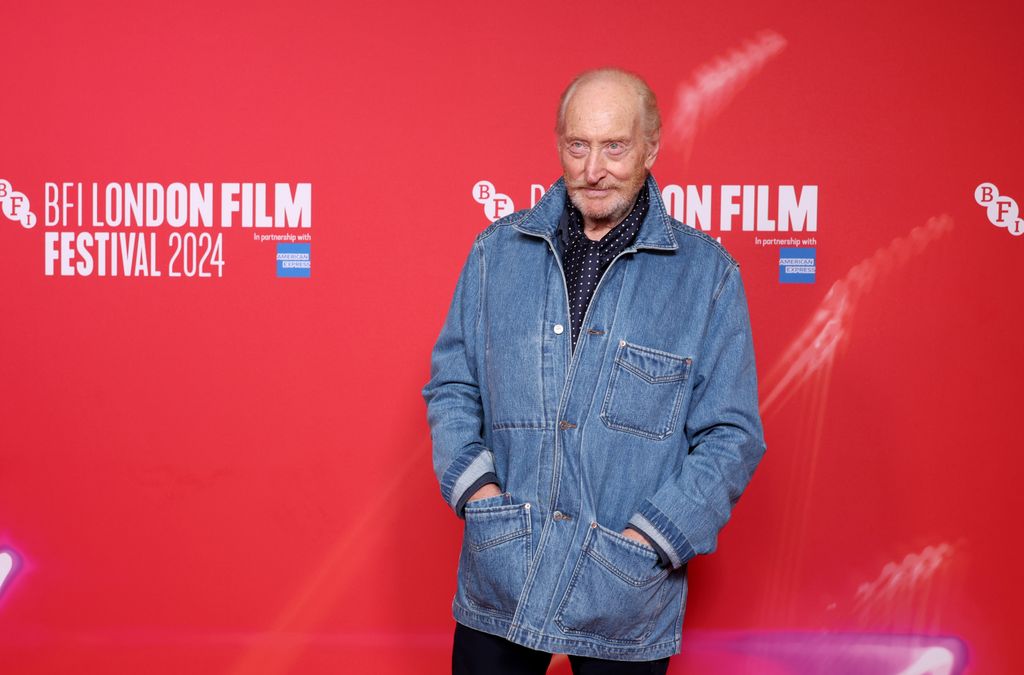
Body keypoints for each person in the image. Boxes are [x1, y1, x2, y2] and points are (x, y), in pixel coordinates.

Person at [423, 68, 766, 674]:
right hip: (504, 572)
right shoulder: (494, 254)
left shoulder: (708, 277)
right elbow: (453, 386)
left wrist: (654, 539)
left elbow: (731, 437)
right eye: (578, 146)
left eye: (615, 146)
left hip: (625, 588)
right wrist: (480, 496)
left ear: (651, 147)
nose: (594, 168)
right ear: (559, 144)